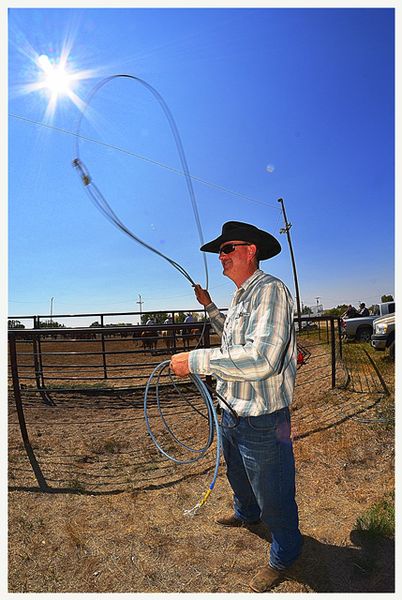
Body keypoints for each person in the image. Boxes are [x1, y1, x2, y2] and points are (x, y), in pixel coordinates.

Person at [170, 221, 303, 592]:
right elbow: (233, 337)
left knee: (273, 492)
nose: (221, 257)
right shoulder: (243, 296)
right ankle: (247, 514)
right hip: (232, 410)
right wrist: (210, 306)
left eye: (227, 249)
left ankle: (285, 554)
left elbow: (261, 357)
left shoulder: (272, 291)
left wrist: (196, 361)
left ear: (250, 251)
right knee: (239, 475)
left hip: (262, 418)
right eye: (221, 251)